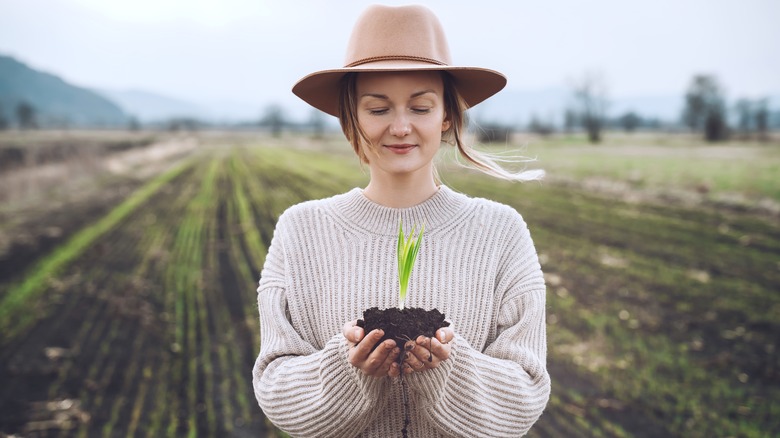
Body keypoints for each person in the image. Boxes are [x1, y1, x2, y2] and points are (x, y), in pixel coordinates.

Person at [252, 4, 550, 437]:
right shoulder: (302, 230)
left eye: (420, 107)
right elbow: (275, 384)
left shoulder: (500, 232)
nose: (400, 126)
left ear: (446, 114)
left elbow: (525, 393)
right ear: (349, 116)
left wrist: (449, 366)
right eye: (378, 109)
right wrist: (346, 368)